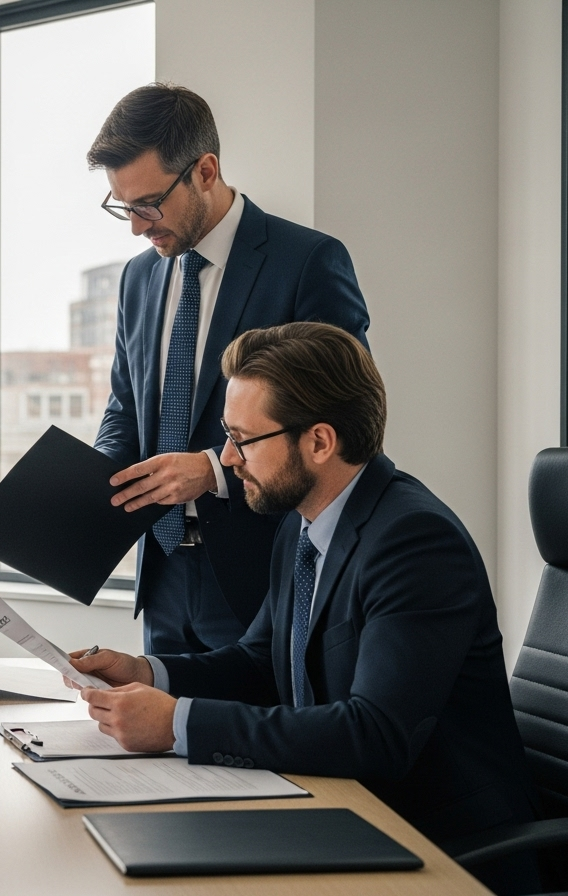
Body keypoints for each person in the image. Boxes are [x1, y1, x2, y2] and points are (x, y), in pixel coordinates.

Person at [69, 322, 537, 886]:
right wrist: (147, 673)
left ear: (319, 442)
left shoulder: (414, 542)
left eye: (243, 439)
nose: (227, 458)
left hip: (440, 848)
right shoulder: (302, 522)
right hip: (340, 811)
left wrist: (177, 725)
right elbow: (261, 662)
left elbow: (375, 735)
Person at [88, 83, 371, 655]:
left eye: (148, 204)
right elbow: (126, 408)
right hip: (162, 574)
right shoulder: (138, 277)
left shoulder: (307, 262)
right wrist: (87, 482)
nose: (137, 226)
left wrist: (215, 469)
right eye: (123, 206)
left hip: (264, 574)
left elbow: (343, 420)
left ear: (206, 171)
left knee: (253, 716)